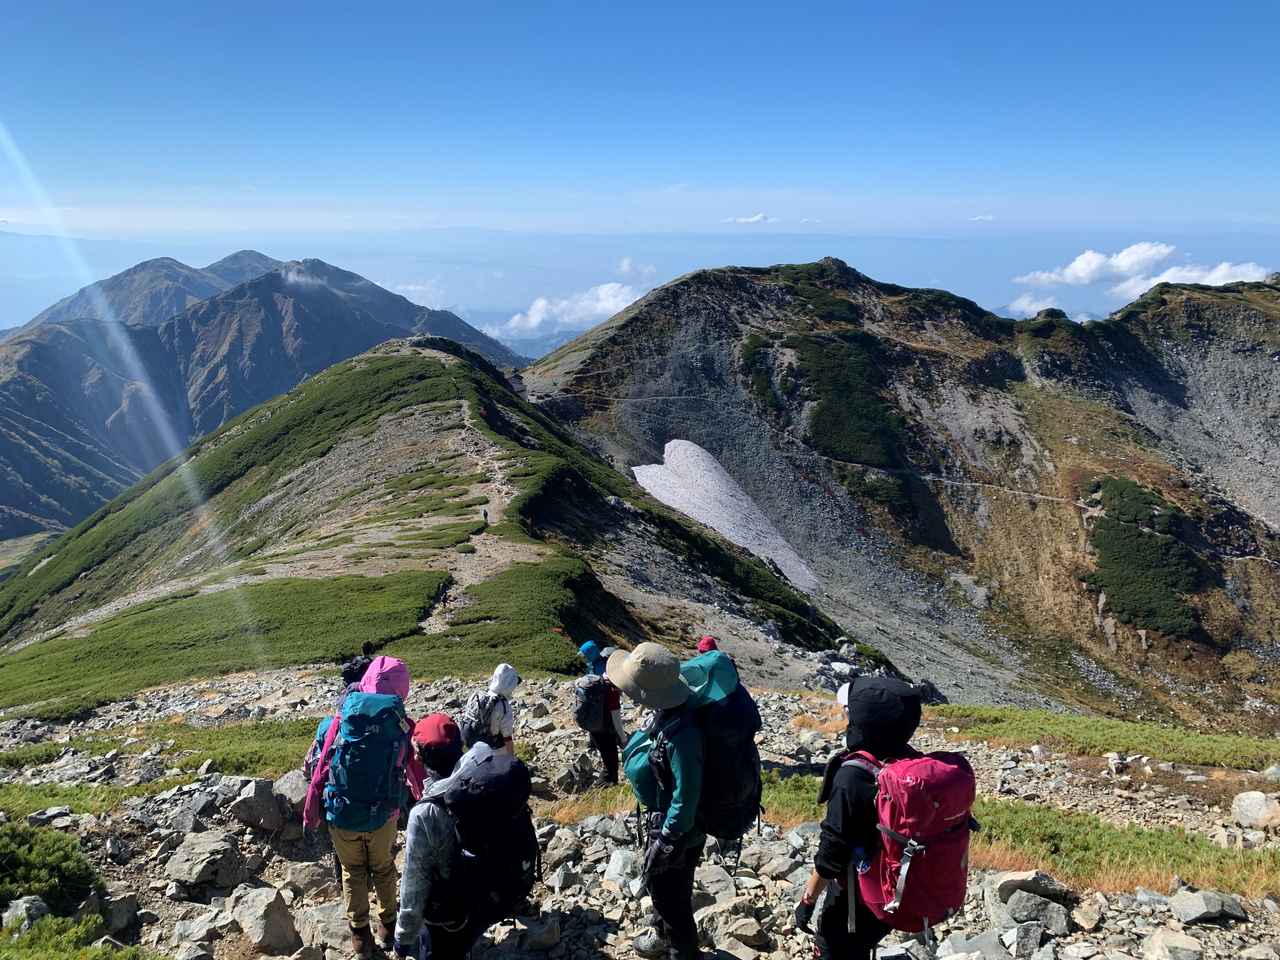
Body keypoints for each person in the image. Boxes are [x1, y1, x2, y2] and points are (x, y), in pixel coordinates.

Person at [795, 677, 923, 960]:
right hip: (896, 890)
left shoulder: (853, 776)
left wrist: (808, 900)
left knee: (833, 944)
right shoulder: (910, 761)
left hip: (858, 895)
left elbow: (832, 852)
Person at [304, 656, 415, 957]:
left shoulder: (334, 724)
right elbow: (408, 766)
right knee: (382, 867)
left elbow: (314, 768)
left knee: (352, 871)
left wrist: (312, 807)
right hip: (384, 815)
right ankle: (389, 926)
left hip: (342, 814)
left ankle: (360, 936)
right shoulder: (400, 725)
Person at [394, 743, 539, 960]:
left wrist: (402, 940)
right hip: (490, 890)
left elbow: (414, 883)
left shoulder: (425, 812)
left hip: (450, 908)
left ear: (425, 760)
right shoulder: (481, 764)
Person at [609, 643, 704, 960]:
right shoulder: (671, 712)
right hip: (670, 825)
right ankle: (663, 935)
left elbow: (686, 796)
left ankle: (683, 951)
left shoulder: (683, 738)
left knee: (669, 898)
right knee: (670, 890)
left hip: (675, 831)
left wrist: (665, 839)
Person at [577, 640, 626, 785]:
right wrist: (623, 738)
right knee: (610, 755)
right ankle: (608, 782)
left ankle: (592, 743)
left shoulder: (592, 671)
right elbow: (615, 714)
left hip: (592, 720)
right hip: (604, 723)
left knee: (603, 746)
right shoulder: (609, 685)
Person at [460, 663, 520, 753]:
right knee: (502, 742)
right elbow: (507, 737)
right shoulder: (504, 706)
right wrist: (511, 759)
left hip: (469, 738)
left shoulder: (478, 695)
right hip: (487, 743)